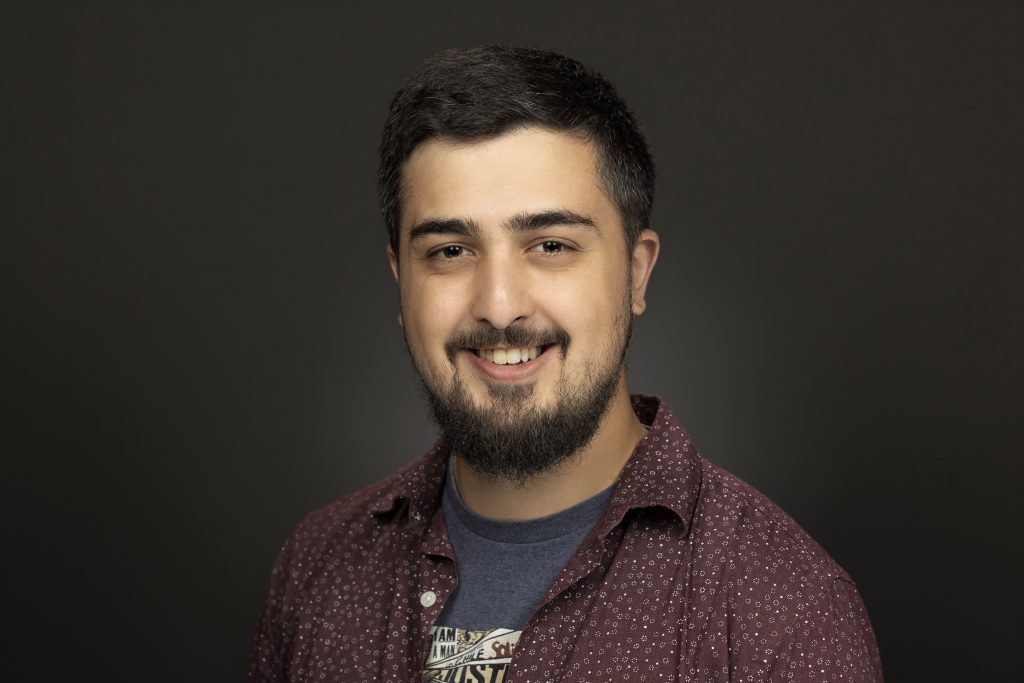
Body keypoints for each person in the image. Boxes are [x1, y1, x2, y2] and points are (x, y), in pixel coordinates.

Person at [247, 45, 883, 682]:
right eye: (449, 251)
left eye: (551, 245)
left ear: (635, 273)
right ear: (401, 281)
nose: (499, 306)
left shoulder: (783, 612)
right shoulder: (317, 567)